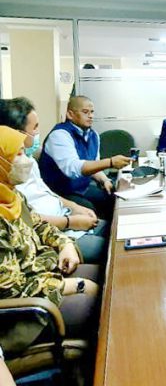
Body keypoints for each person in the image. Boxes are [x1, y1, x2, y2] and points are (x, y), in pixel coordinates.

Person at [0, 126, 99, 337]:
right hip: (24, 313)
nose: (25, 160)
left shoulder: (12, 196)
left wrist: (65, 244)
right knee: (99, 304)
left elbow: (39, 225)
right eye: (17, 155)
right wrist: (75, 286)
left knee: (105, 279)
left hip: (42, 275)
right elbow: (10, 290)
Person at [0, 97, 107, 263]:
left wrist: (75, 208)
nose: (37, 134)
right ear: (15, 134)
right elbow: (27, 221)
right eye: (34, 128)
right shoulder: (11, 171)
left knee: (112, 230)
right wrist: (70, 222)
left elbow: (47, 193)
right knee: (108, 248)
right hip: (52, 232)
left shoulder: (28, 161)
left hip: (63, 218)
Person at [39, 96, 131, 219]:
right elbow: (73, 169)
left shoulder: (93, 135)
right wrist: (110, 162)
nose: (91, 116)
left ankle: (117, 235)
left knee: (113, 198)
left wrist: (105, 180)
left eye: (92, 112)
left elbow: (93, 165)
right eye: (85, 112)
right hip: (60, 192)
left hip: (81, 188)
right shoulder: (60, 135)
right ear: (70, 114)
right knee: (89, 209)